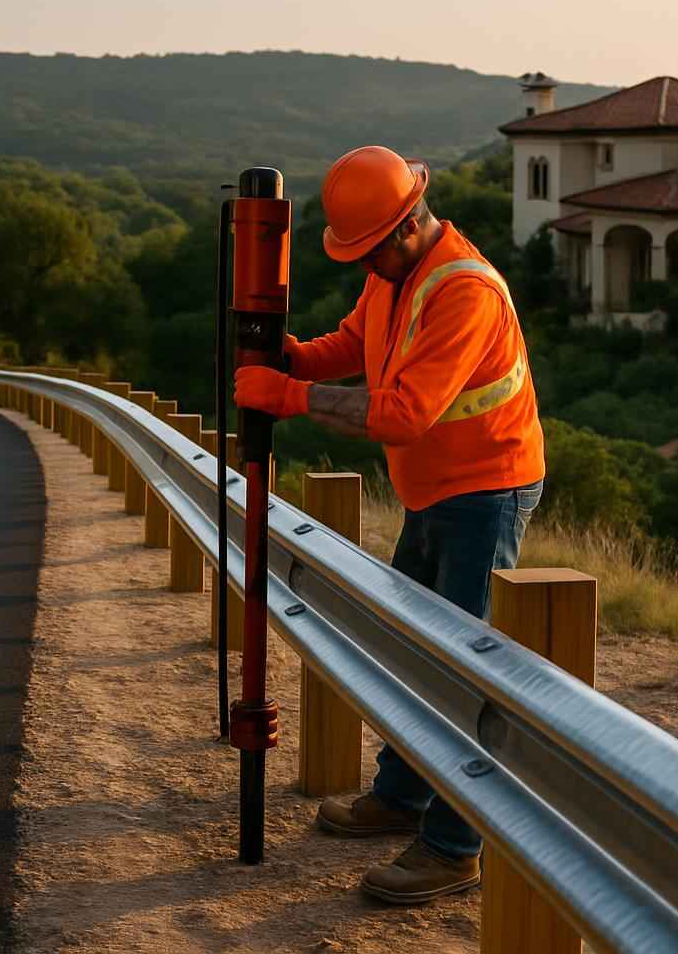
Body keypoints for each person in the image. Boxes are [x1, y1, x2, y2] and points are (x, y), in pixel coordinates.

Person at [233, 145, 545, 906]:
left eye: (368, 251)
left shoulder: (463, 291)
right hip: (433, 494)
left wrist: (289, 398)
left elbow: (404, 414)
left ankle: (453, 847)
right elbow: (354, 343)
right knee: (409, 654)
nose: (362, 267)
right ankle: (401, 797)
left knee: (458, 674)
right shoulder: (394, 276)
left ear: (408, 224)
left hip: (486, 493)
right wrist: (294, 358)